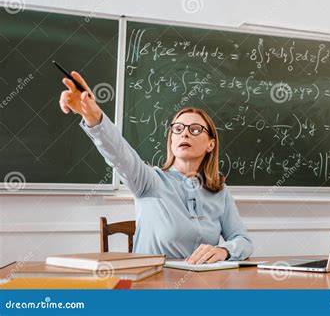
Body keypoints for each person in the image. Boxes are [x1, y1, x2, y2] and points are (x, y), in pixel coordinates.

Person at [59, 72, 253, 264]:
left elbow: (243, 241)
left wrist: (224, 250)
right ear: (171, 141)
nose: (184, 134)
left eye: (194, 129)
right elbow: (120, 154)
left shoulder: (219, 191)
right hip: (154, 286)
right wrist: (94, 116)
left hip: (202, 286)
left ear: (210, 144)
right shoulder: (149, 180)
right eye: (178, 129)